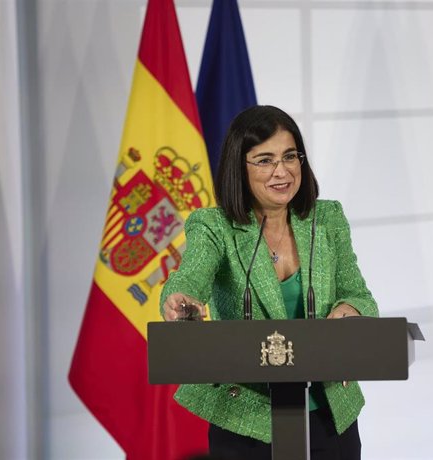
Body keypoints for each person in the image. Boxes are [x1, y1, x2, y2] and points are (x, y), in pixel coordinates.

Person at [160, 105, 378, 460]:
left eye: (290, 156)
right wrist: (180, 300)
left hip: (329, 414)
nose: (282, 171)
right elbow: (188, 281)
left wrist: (350, 307)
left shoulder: (327, 219)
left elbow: (359, 294)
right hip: (246, 420)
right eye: (264, 160)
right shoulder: (215, 227)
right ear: (238, 167)